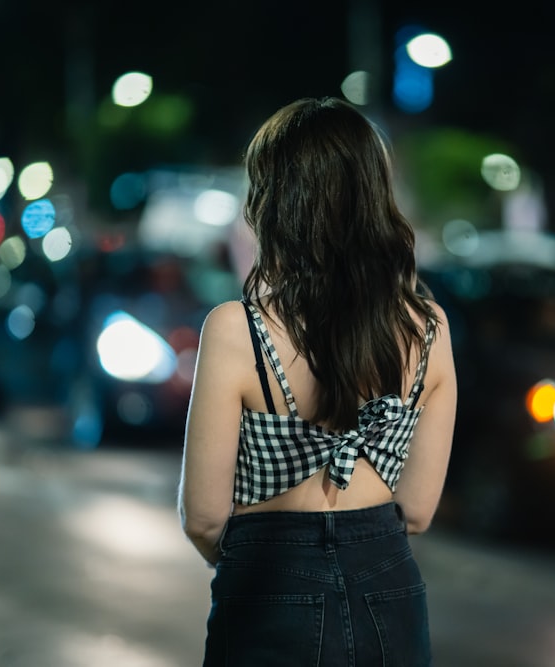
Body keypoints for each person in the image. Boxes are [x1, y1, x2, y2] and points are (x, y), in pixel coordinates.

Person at [178, 96, 457, 667]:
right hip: (389, 585)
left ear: (275, 201)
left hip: (269, 584)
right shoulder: (428, 329)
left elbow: (204, 517)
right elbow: (420, 511)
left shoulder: (238, 330)